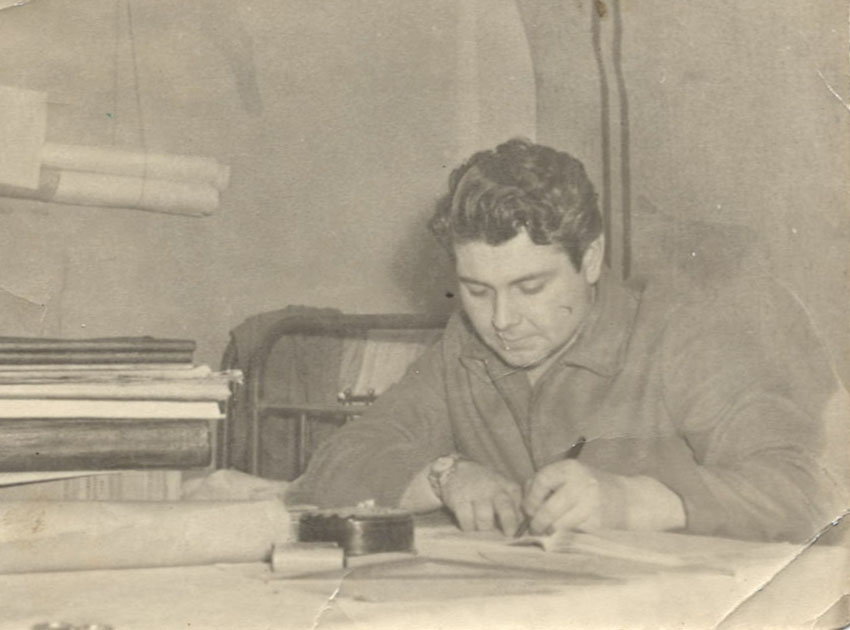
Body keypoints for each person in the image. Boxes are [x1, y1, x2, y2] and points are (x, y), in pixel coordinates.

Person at [289, 138, 849, 543]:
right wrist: (446, 477)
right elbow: (335, 464)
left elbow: (811, 489)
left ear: (592, 259)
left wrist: (637, 500)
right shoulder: (465, 349)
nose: (501, 320)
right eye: (477, 290)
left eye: (530, 287)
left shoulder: (681, 338)